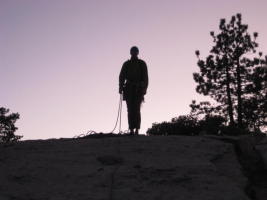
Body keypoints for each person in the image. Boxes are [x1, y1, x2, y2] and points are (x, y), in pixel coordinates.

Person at [119, 46, 148, 135]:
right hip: (128, 89)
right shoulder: (126, 64)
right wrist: (120, 87)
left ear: (138, 52)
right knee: (130, 109)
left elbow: (145, 77)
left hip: (138, 88)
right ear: (130, 52)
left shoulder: (142, 63)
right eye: (133, 51)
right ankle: (131, 129)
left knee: (137, 109)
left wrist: (144, 88)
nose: (134, 52)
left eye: (135, 51)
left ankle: (137, 129)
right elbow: (122, 76)